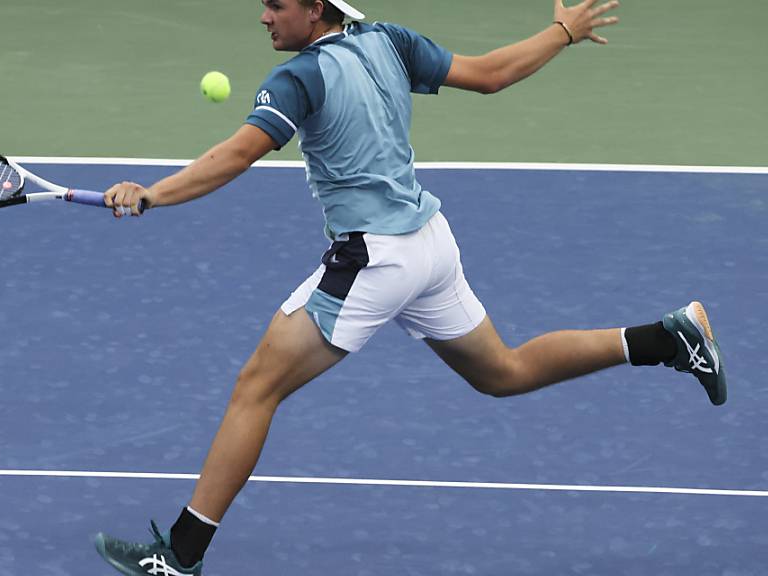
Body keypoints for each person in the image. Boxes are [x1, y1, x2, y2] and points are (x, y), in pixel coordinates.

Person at [93, 0, 725, 574]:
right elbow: (491, 73)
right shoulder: (388, 40)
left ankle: (179, 556)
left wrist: (150, 193)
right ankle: (668, 339)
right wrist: (561, 32)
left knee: (255, 389)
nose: (264, 17)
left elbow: (234, 156)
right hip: (430, 245)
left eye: (276, 5)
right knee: (502, 371)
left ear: (315, 10)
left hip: (375, 261)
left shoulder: (296, 80)